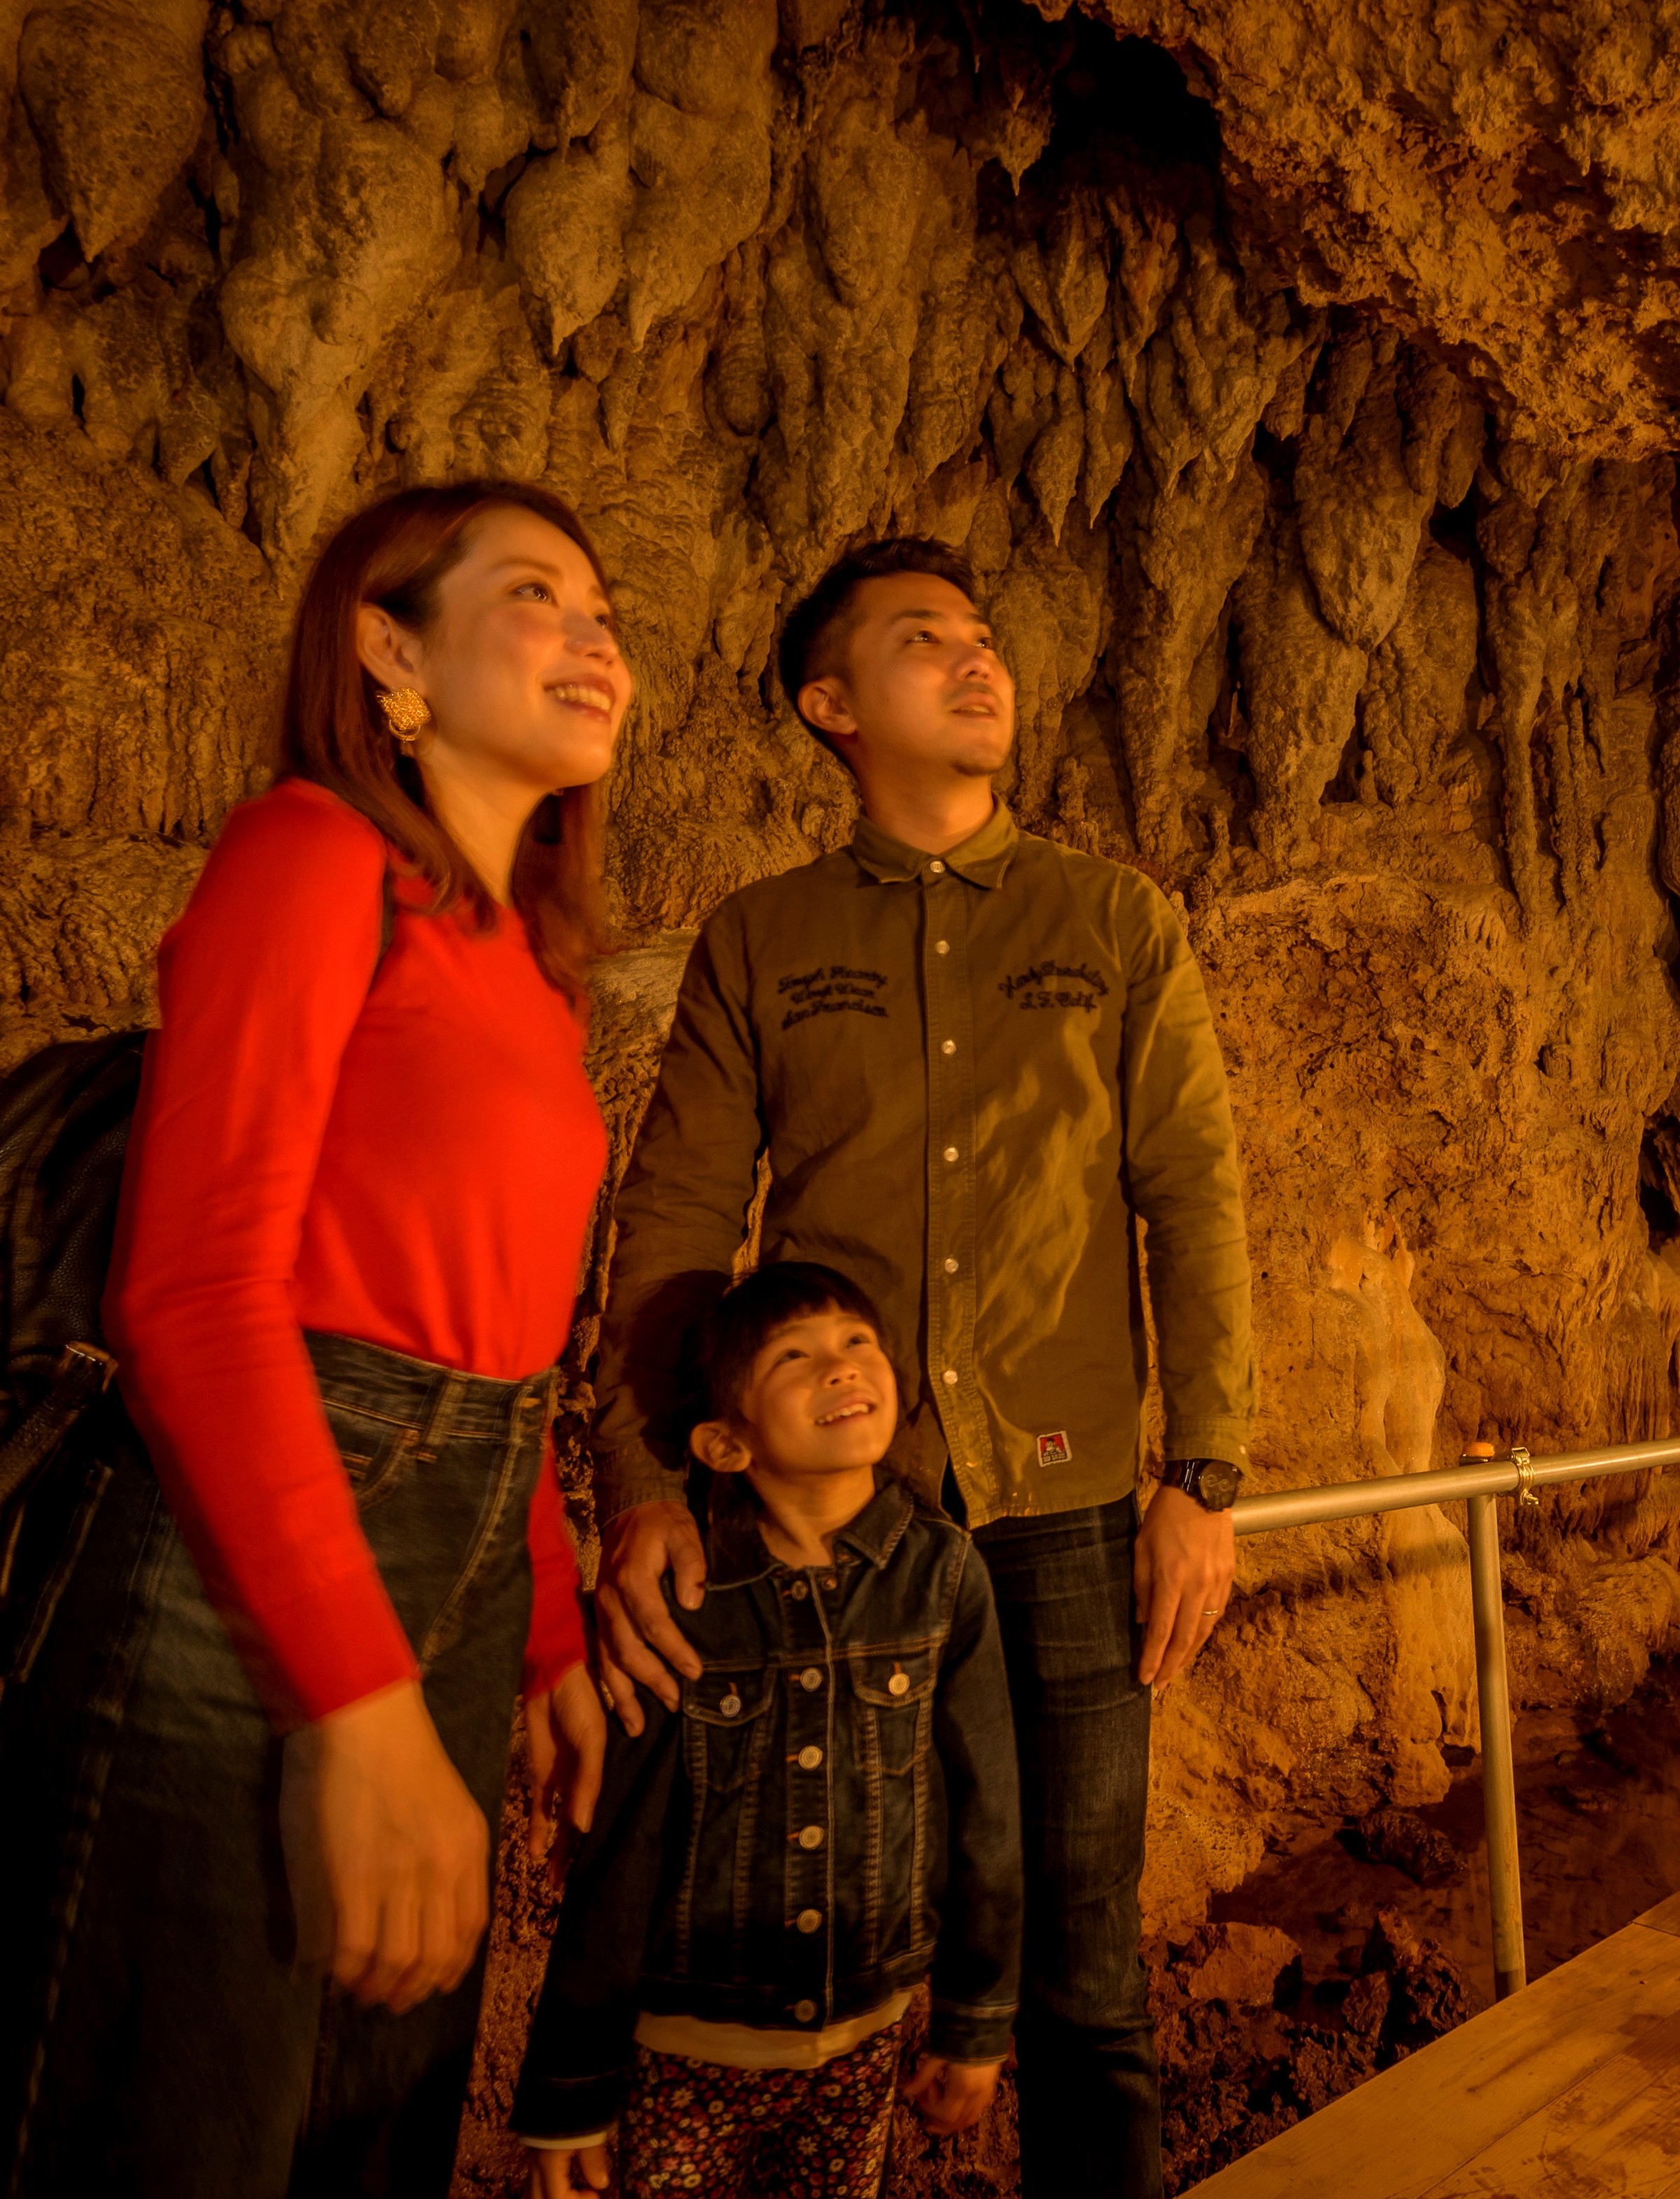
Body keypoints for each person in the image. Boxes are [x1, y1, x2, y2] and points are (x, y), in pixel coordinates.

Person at [588, 535, 1257, 2198]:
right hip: (837, 1530)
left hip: (1074, 1503)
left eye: (981, 637)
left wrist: (1206, 1476)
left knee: (1091, 1972)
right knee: (827, 1943)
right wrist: (646, 1475)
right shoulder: (762, 939)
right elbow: (675, 1221)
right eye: (920, 642)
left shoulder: (1115, 922)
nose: (978, 662)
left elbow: (1192, 1196)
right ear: (832, 705)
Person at [0, 482, 629, 2198]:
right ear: (386, 649)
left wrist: (549, 1629)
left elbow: (502, 1345)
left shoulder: (533, 973)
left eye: (604, 611)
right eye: (534, 594)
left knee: (367, 2133)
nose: (594, 636)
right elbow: (194, 1291)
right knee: (177, 2127)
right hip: (239, 1569)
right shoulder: (309, 855)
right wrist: (356, 1711)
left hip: (460, 1564)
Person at [513, 1260, 1019, 2199]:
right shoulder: (679, 1605)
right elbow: (620, 1854)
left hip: (864, 2043)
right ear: (724, 1443)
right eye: (797, 1356)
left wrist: (974, 2021)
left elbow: (988, 1811)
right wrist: (570, 2091)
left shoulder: (945, 1576)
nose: (841, 1367)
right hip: (688, 2053)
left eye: (857, 1343)